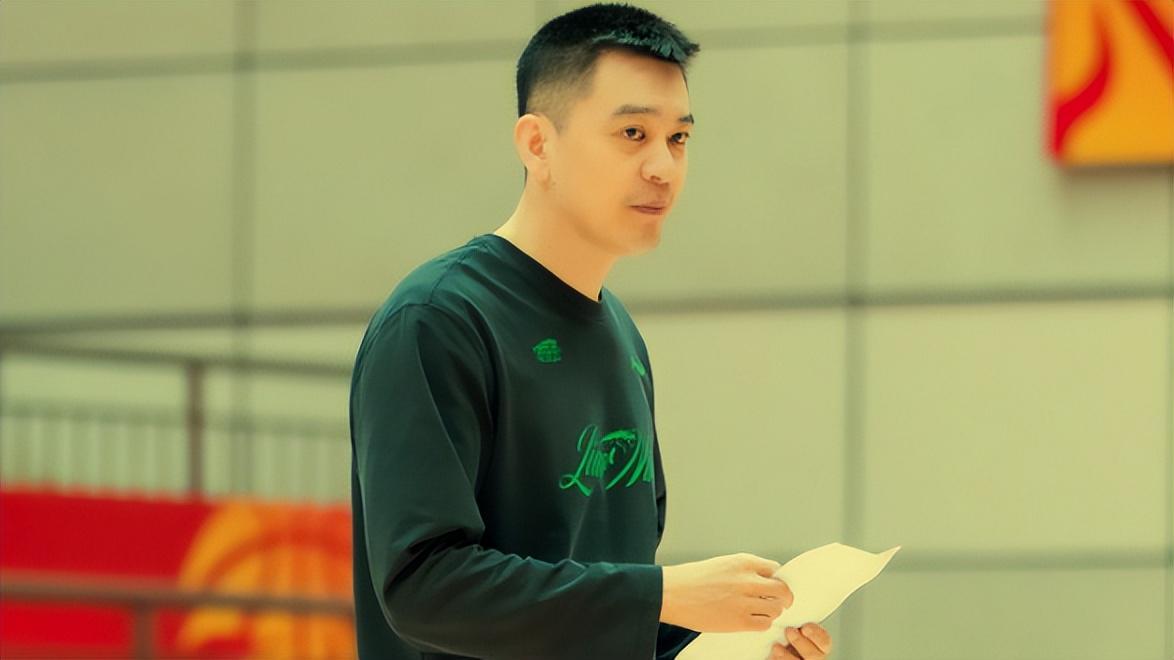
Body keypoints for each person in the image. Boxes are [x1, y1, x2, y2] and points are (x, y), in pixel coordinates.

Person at [349, 3, 833, 659]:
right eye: (633, 133)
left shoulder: (622, 338)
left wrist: (733, 644)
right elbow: (422, 587)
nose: (663, 166)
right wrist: (662, 594)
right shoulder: (439, 320)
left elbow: (596, 613)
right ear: (537, 144)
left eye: (678, 139)